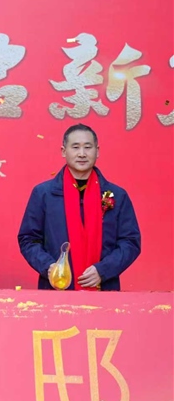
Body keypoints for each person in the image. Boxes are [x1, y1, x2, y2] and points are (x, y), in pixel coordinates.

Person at [18, 124, 140, 290]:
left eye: (88, 147)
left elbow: (130, 242)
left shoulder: (117, 195)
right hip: (56, 289)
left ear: (97, 151)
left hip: (104, 289)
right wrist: (49, 267)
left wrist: (103, 270)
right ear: (63, 151)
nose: (82, 154)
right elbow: (28, 239)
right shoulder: (43, 194)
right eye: (75, 147)